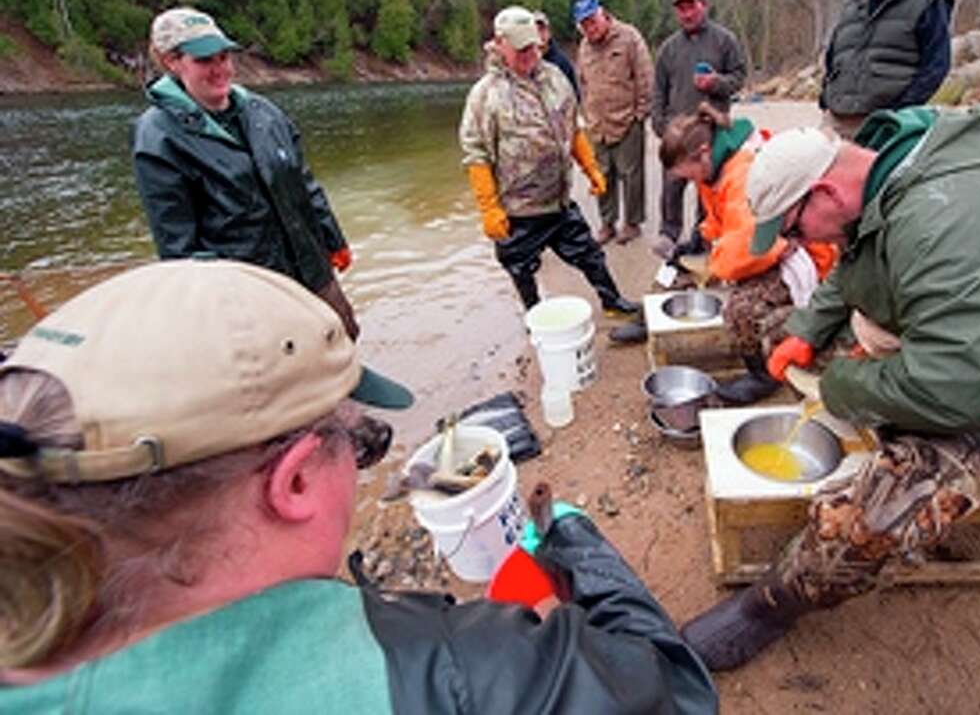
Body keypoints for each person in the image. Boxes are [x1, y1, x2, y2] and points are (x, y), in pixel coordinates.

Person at [0, 259, 718, 714]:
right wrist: (577, 540)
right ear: (295, 481)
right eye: (362, 442)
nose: (364, 461)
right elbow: (678, 692)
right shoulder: (466, 676)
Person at [679, 104, 980, 672]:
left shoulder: (945, 219)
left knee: (874, 509)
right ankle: (874, 402)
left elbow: (966, 384)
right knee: (772, 327)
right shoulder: (885, 179)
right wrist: (806, 330)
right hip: (963, 348)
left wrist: (845, 386)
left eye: (792, 228)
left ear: (824, 193)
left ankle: (772, 605)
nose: (792, 242)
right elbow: (853, 265)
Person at [132, 7, 359, 339]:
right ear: (172, 61)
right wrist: (209, 310)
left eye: (224, 57)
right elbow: (177, 245)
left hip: (312, 271)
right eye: (204, 60)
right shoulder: (158, 136)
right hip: (249, 298)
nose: (221, 69)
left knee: (342, 339)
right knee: (282, 365)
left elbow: (304, 184)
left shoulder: (264, 112)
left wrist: (333, 240)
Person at [460, 6, 638, 315]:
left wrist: (591, 168)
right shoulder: (485, 95)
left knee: (590, 254)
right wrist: (489, 208)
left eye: (533, 46)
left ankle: (612, 302)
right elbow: (476, 154)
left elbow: (573, 127)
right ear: (500, 44)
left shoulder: (554, 77)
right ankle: (535, 316)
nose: (530, 54)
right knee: (520, 268)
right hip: (518, 210)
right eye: (521, 48)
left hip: (558, 201)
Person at [657, 106, 837, 403]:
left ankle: (765, 374)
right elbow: (718, 220)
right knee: (701, 274)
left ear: (703, 152)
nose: (689, 181)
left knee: (740, 309)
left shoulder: (741, 172)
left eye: (687, 174)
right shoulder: (713, 166)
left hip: (802, 253)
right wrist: (702, 242)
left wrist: (714, 264)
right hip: (770, 244)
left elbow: (748, 249)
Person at [819, 0, 953, 140]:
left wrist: (901, 113)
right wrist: (826, 98)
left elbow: (936, 65)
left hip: (888, 125)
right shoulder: (853, 3)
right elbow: (834, 57)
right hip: (835, 120)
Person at [650, 0, 747, 258]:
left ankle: (703, 235)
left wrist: (716, 83)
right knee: (672, 184)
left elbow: (739, 78)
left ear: (703, 5)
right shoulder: (668, 48)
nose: (686, 13)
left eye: (691, 6)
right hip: (677, 132)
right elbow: (658, 90)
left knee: (708, 187)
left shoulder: (724, 40)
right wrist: (660, 124)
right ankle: (669, 233)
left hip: (712, 132)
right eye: (681, 9)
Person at [574, 0, 654, 246]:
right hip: (597, 124)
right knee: (602, 175)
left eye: (592, 21)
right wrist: (586, 114)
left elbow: (645, 76)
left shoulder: (629, 37)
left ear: (603, 15)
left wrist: (640, 113)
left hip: (627, 120)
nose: (590, 28)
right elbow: (582, 83)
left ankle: (632, 223)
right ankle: (607, 223)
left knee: (631, 176)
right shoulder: (584, 47)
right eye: (584, 24)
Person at [533, 10, 580, 99]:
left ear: (549, 32)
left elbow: (575, 95)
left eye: (542, 29)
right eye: (535, 30)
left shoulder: (562, 62)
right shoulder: (525, 62)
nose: (539, 34)